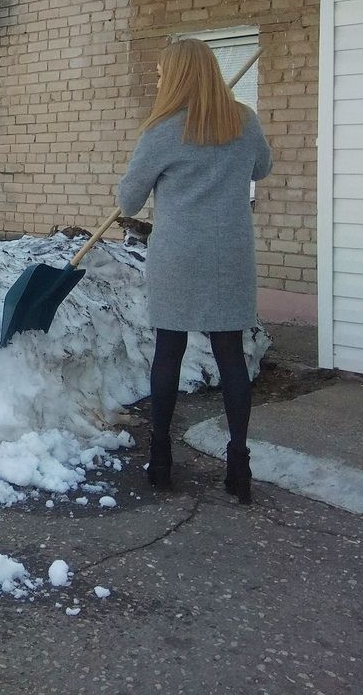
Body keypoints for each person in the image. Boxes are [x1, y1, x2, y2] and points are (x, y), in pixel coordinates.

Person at [117, 40, 272, 504]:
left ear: (180, 76)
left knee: (169, 351)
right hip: (230, 257)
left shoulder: (162, 130)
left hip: (179, 257)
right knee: (230, 356)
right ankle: (239, 466)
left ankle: (160, 459)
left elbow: (128, 200)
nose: (160, 81)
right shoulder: (243, 120)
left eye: (163, 73)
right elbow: (263, 167)